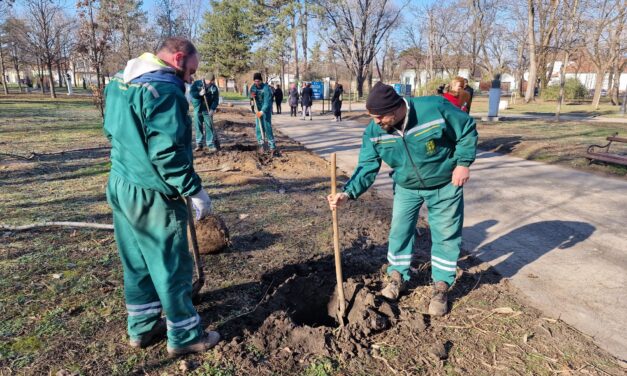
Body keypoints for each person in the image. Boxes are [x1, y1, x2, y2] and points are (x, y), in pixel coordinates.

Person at [103, 37, 220, 356]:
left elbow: (111, 130)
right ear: (178, 58)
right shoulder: (166, 90)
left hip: (121, 183)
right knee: (171, 263)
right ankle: (184, 336)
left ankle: (141, 327)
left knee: (137, 260)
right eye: (191, 71)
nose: (191, 79)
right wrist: (193, 188)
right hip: (153, 193)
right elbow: (168, 153)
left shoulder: (118, 80)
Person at [326, 82, 477, 316]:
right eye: (372, 117)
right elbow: (367, 166)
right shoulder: (375, 132)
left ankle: (441, 286)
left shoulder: (434, 109)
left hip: (445, 183)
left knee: (446, 234)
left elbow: (466, 129)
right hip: (406, 187)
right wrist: (347, 193)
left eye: (379, 117)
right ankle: (397, 275)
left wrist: (463, 163)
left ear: (396, 110)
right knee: (399, 231)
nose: (375, 122)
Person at [250, 72, 279, 156]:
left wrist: (262, 111)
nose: (256, 83)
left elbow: (267, 102)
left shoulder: (266, 88)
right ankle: (261, 145)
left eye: (258, 81)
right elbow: (251, 99)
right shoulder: (253, 87)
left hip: (265, 111)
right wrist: (251, 97)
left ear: (261, 81)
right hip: (257, 109)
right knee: (259, 127)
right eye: (255, 81)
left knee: (267, 126)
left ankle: (272, 146)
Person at [189, 74, 220, 152]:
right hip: (198, 108)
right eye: (208, 81)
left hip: (208, 110)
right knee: (198, 126)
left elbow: (216, 100)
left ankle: (210, 144)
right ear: (205, 79)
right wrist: (199, 94)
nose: (209, 82)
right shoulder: (197, 83)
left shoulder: (214, 87)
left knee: (209, 126)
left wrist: (212, 109)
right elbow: (192, 93)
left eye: (211, 81)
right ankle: (199, 144)